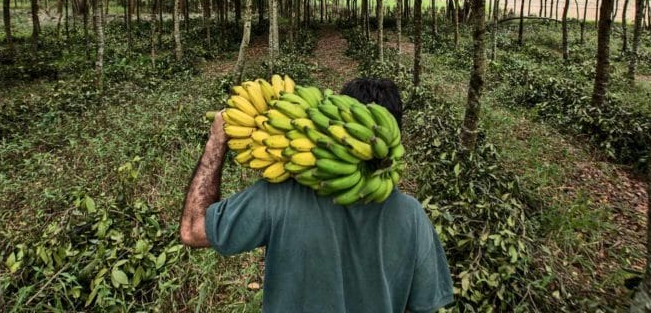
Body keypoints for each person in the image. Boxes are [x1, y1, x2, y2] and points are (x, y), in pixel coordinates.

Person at [180, 78, 454, 312]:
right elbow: (424, 305)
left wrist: (216, 142)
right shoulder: (412, 216)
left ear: (333, 125)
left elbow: (193, 230)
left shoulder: (280, 195)